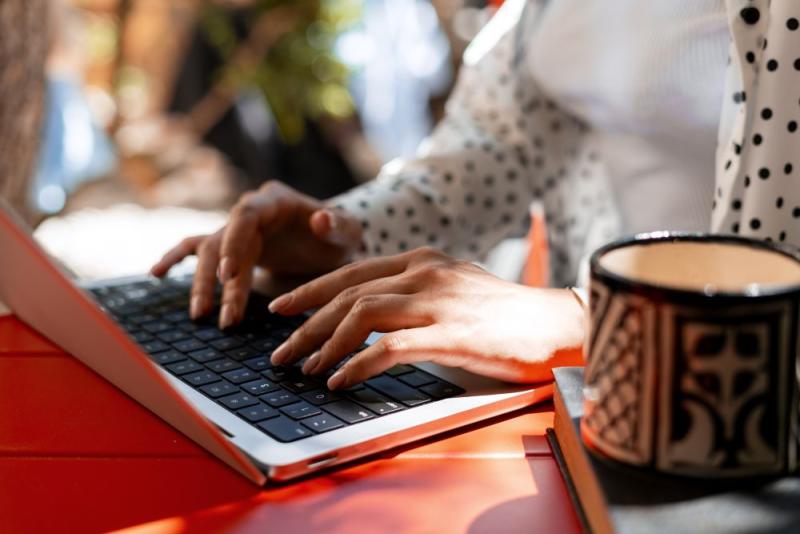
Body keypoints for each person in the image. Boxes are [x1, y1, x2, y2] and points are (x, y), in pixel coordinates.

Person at [152, 0, 799, 391]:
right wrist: (347, 230)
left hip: (726, 426)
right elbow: (497, 148)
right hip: (580, 404)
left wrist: (592, 322)